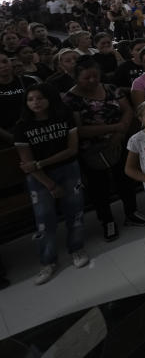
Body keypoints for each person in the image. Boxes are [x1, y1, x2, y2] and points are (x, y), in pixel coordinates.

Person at [64, 57, 145, 241]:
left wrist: (120, 132)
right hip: (91, 149)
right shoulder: (71, 99)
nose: (93, 80)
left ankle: (131, 212)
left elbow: (127, 110)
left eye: (95, 75)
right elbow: (79, 130)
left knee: (125, 178)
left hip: (119, 142)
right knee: (98, 188)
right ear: (76, 77)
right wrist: (114, 128)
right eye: (87, 78)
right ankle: (107, 220)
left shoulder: (110, 88)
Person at [14, 83, 88, 285]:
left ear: (49, 98)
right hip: (40, 178)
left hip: (68, 169)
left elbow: (72, 150)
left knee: (75, 210)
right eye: (30, 99)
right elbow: (28, 165)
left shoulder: (64, 117)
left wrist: (40, 163)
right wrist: (50, 184)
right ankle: (47, 261)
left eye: (40, 98)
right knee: (44, 219)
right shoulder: (22, 127)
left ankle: (77, 248)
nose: (35, 103)